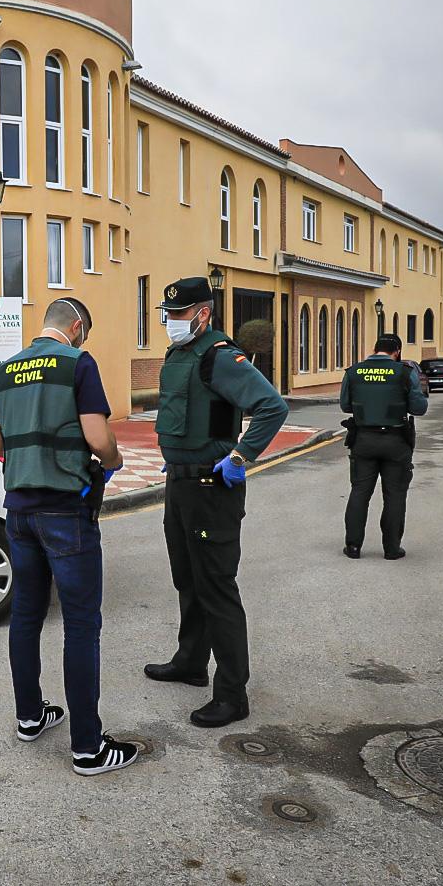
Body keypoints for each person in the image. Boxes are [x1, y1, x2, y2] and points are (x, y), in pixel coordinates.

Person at [0, 296, 141, 777]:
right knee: (80, 624)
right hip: (66, 511)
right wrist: (113, 462)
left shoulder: (6, 370)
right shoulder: (78, 363)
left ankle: (30, 717)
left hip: (19, 512)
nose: (83, 340)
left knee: (26, 615)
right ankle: (88, 749)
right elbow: (97, 438)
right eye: (84, 333)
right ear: (75, 327)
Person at [144, 276, 288, 729]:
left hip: (212, 487)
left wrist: (241, 456)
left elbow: (272, 406)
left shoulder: (220, 357)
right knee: (188, 578)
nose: (170, 322)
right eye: (167, 315)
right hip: (182, 484)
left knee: (217, 587)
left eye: (178, 314)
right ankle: (190, 662)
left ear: (202, 314)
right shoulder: (180, 354)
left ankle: (232, 693)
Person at [340, 332, 428, 560]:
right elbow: (419, 408)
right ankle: (391, 548)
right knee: (395, 495)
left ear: (374, 348)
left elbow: (345, 405)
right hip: (396, 441)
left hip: (363, 441)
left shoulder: (354, 372)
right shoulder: (405, 373)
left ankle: (353, 547)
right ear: (397, 351)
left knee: (359, 493)